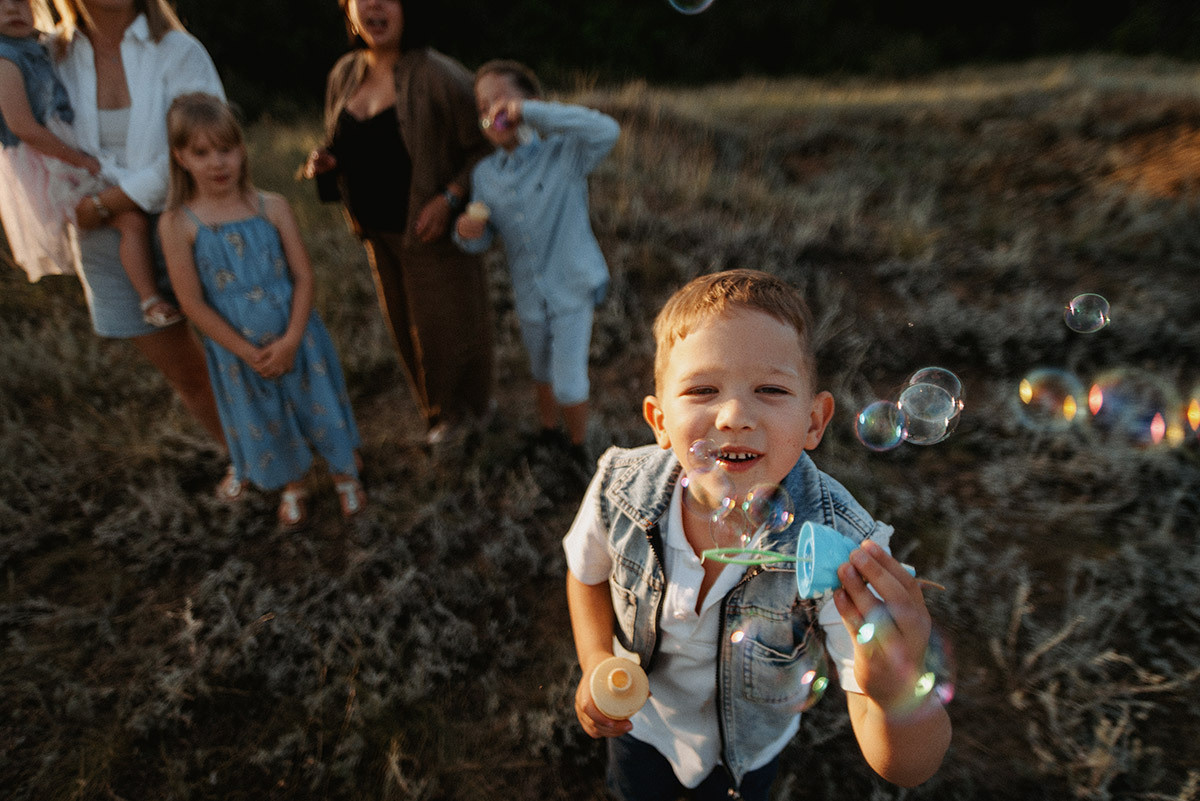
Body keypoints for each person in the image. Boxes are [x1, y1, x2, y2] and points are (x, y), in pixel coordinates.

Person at [563, 270, 951, 800]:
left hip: (745, 755)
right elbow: (586, 576)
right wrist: (595, 663)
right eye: (702, 389)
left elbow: (907, 768)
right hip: (643, 725)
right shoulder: (621, 487)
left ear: (815, 421)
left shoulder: (840, 553)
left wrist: (896, 691)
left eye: (770, 390)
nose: (734, 415)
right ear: (658, 419)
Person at [49, 0, 235, 493]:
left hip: (189, 219)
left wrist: (108, 201)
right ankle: (243, 459)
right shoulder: (52, 57)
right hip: (105, 239)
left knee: (241, 349)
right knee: (186, 373)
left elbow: (204, 143)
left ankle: (292, 452)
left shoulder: (177, 50)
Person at [160, 93, 366, 529]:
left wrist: (291, 339)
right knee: (267, 416)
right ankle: (294, 484)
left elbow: (303, 278)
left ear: (242, 150)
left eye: (226, 149)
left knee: (316, 403)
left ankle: (344, 471)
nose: (218, 163)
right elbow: (191, 302)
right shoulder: (179, 223)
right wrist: (244, 350)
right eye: (201, 152)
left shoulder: (271, 206)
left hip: (298, 336)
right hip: (239, 351)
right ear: (181, 158)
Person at [305, 0, 494, 446]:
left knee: (447, 327)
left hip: (432, 234)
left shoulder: (439, 75)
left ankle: (466, 422)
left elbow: (487, 147)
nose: (374, 5)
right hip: (377, 234)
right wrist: (329, 163)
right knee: (407, 331)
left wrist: (449, 198)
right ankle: (436, 414)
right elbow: (347, 142)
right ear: (348, 9)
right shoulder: (344, 74)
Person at [453, 59, 618, 458]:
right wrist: (467, 235)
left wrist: (529, 113)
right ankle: (548, 432)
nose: (492, 112)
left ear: (531, 102)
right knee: (541, 367)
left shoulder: (564, 153)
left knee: (567, 380)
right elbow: (482, 240)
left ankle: (578, 450)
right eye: (482, 108)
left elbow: (606, 130)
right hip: (529, 293)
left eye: (502, 100)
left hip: (573, 286)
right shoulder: (485, 175)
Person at [0, 0, 179, 325]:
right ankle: (150, 299)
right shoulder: (4, 59)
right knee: (131, 221)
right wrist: (79, 160)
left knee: (139, 212)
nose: (12, 11)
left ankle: (166, 291)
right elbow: (22, 127)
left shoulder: (39, 44)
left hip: (62, 152)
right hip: (49, 164)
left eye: (20, 3)